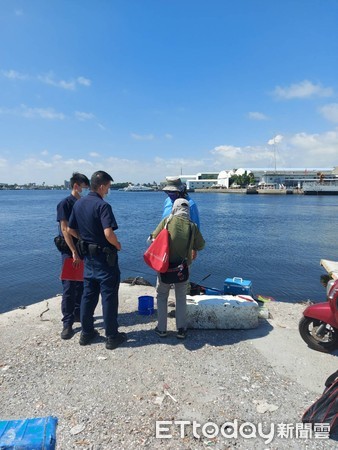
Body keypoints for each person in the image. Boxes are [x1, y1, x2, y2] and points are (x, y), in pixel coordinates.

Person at [67, 170, 126, 350]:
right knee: (109, 297)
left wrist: (84, 240)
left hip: (88, 257)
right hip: (104, 259)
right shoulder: (103, 206)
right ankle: (112, 337)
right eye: (107, 187)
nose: (108, 191)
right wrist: (117, 245)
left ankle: (86, 333)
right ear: (101, 186)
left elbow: (70, 230)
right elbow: (108, 233)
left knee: (88, 296)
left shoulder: (78, 204)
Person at [151, 198, 205, 339]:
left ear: (174, 208)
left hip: (164, 267)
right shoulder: (192, 226)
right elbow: (201, 245)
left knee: (162, 296)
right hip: (182, 269)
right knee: (180, 298)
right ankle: (181, 329)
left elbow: (153, 237)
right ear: (188, 211)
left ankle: (161, 329)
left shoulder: (167, 222)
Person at [56, 172, 90, 340]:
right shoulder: (65, 204)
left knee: (82, 285)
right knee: (69, 287)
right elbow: (65, 229)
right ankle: (67, 323)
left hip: (82, 249)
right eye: (84, 187)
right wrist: (74, 251)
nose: (86, 190)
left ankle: (78, 314)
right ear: (76, 186)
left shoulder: (82, 203)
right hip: (69, 250)